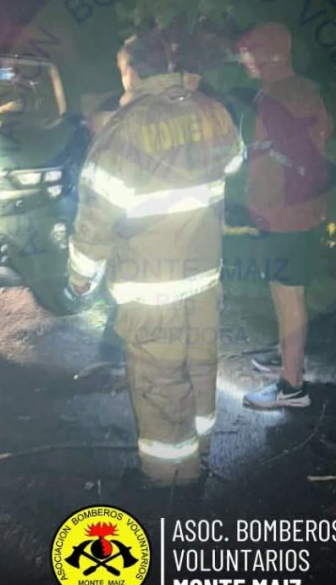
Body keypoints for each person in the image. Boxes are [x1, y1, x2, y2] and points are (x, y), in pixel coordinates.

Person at [67, 31, 243, 490]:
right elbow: (234, 162)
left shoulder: (125, 128)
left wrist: (81, 275)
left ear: (131, 70)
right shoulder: (211, 110)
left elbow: (97, 212)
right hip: (204, 274)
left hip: (150, 285)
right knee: (200, 363)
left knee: (160, 376)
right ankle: (199, 449)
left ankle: (168, 474)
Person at [237, 22, 332, 410]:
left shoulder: (274, 99)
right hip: (307, 208)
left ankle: (291, 387)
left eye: (248, 52)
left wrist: (258, 208)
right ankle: (286, 352)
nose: (243, 59)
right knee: (291, 291)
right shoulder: (305, 88)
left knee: (287, 294)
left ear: (267, 55)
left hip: (284, 214)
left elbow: (267, 166)